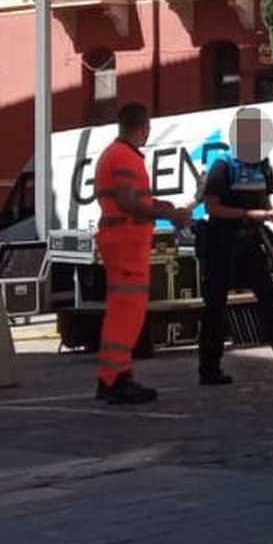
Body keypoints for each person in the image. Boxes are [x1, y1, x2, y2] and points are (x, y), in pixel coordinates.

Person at [198, 110, 273, 384]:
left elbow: (265, 200)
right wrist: (249, 215)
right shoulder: (222, 166)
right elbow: (212, 208)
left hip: (250, 242)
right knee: (215, 304)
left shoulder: (262, 165)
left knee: (269, 299)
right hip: (222, 241)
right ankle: (209, 368)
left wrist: (266, 214)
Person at [95, 103, 191, 405]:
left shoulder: (116, 154)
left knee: (125, 310)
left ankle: (114, 375)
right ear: (143, 126)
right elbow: (128, 200)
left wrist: (165, 209)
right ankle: (116, 378)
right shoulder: (123, 156)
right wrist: (169, 215)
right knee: (126, 311)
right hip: (125, 245)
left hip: (123, 243)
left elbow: (137, 199)